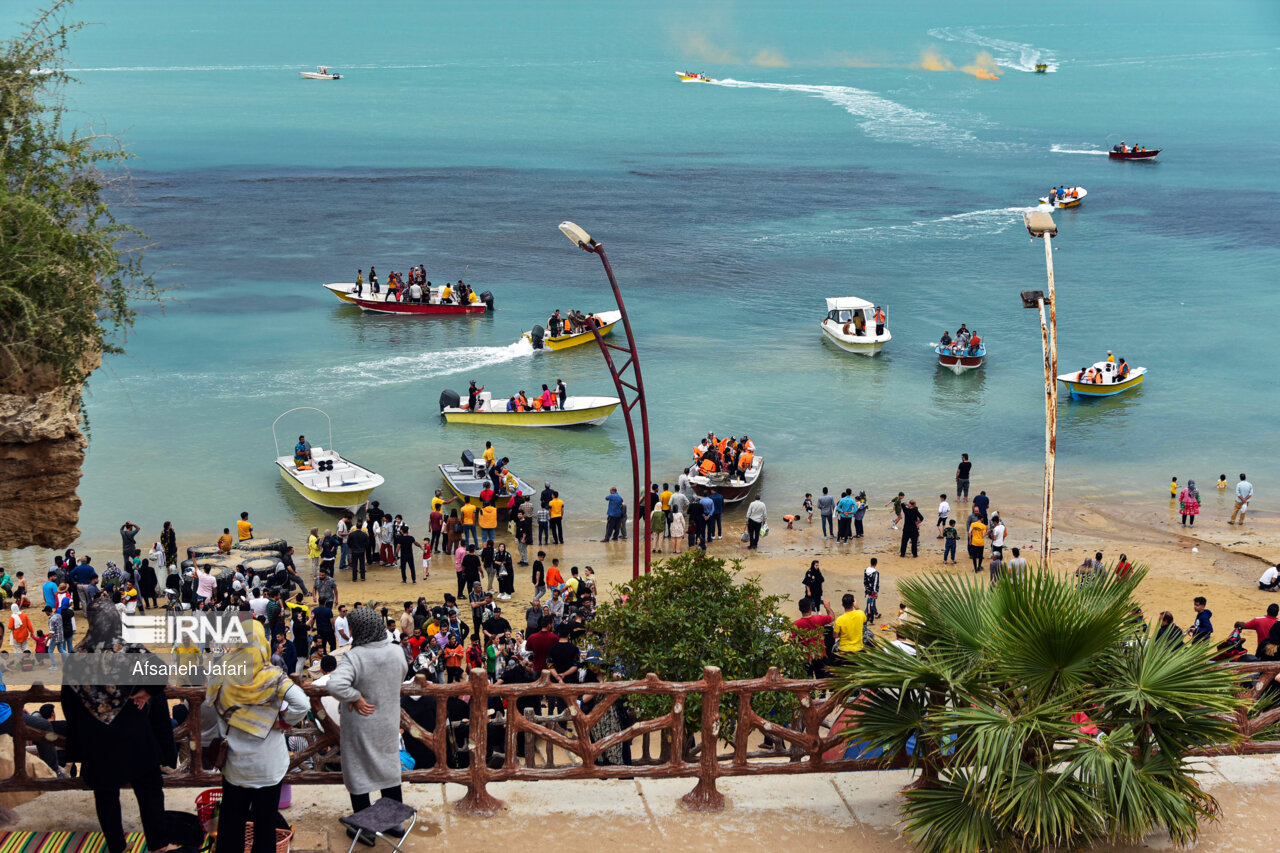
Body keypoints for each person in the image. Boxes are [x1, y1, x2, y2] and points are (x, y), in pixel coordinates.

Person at [60, 603, 175, 853]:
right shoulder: (129, 649)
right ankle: (159, 845)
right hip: (133, 733)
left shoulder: (76, 655)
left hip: (94, 737)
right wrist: (147, 692)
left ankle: (117, 846)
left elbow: (68, 703)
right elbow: (160, 673)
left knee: (105, 794)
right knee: (149, 789)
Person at [207, 621, 310, 853]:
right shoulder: (274, 677)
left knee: (231, 823)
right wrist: (282, 722)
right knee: (265, 824)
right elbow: (302, 704)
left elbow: (211, 704)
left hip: (235, 765)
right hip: (268, 766)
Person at [327, 607, 410, 842]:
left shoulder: (355, 656)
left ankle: (365, 830)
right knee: (389, 770)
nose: (350, 632)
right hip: (388, 722)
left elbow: (335, 685)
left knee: (358, 772)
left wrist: (355, 696)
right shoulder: (396, 651)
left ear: (359, 629)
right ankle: (395, 823)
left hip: (361, 726)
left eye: (352, 628)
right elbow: (402, 675)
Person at [794, 599, 834, 679]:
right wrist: (828, 607)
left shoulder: (796, 624)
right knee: (822, 678)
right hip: (819, 653)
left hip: (805, 655)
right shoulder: (819, 618)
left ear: (799, 609)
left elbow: (794, 641)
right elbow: (832, 617)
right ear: (810, 608)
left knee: (807, 679)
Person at [832, 594, 866, 659]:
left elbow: (835, 635)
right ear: (853, 604)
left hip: (844, 649)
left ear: (842, 604)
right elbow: (865, 621)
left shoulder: (840, 619)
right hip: (858, 648)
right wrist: (857, 607)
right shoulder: (860, 613)